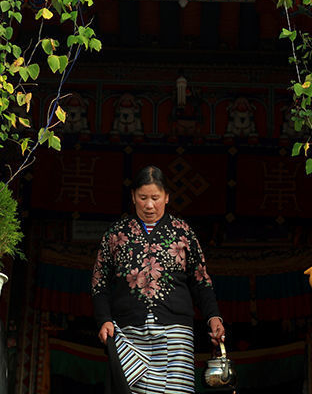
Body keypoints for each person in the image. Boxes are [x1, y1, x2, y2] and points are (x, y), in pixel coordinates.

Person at [92, 165, 225, 393]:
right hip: (129, 334)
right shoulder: (115, 234)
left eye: (155, 197)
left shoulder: (183, 232)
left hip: (176, 335)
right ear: (133, 197)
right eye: (143, 197)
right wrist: (104, 319)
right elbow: (99, 282)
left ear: (167, 197)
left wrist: (213, 316)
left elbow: (201, 281)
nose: (149, 205)